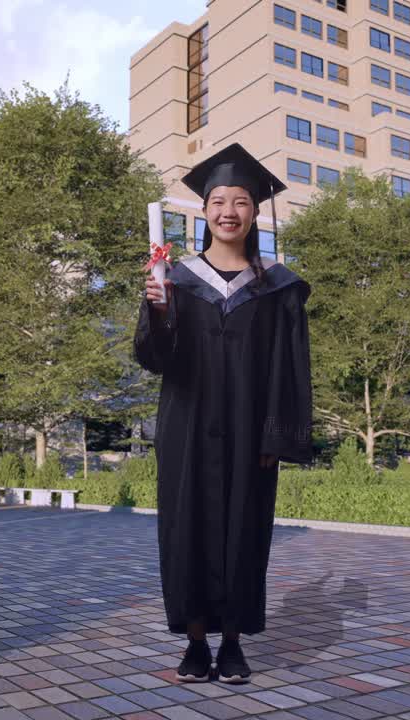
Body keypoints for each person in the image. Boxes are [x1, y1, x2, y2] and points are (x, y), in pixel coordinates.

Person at [134, 143, 314, 684]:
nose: (228, 210)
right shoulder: (175, 279)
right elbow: (153, 358)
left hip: (249, 431)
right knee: (186, 531)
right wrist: (160, 310)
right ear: (204, 210)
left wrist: (277, 436)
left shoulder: (278, 286)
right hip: (187, 426)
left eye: (240, 201)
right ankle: (193, 642)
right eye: (218, 200)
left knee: (244, 532)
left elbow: (290, 367)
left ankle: (232, 642)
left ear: (256, 211)